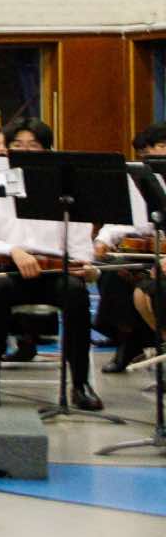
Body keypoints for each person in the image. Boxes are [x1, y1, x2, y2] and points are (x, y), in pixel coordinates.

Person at [0, 117, 100, 410]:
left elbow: (80, 246)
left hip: (55, 272)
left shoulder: (65, 190)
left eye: (33, 146)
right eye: (17, 145)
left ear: (47, 150)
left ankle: (80, 384)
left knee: (76, 292)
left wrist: (86, 267)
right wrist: (13, 250)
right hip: (10, 269)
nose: (24, 151)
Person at [96, 122, 166, 372]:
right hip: (147, 249)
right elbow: (122, 218)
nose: (154, 154)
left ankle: (148, 341)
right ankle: (127, 340)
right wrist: (103, 239)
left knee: (144, 284)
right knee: (111, 270)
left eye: (161, 147)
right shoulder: (139, 178)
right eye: (147, 151)